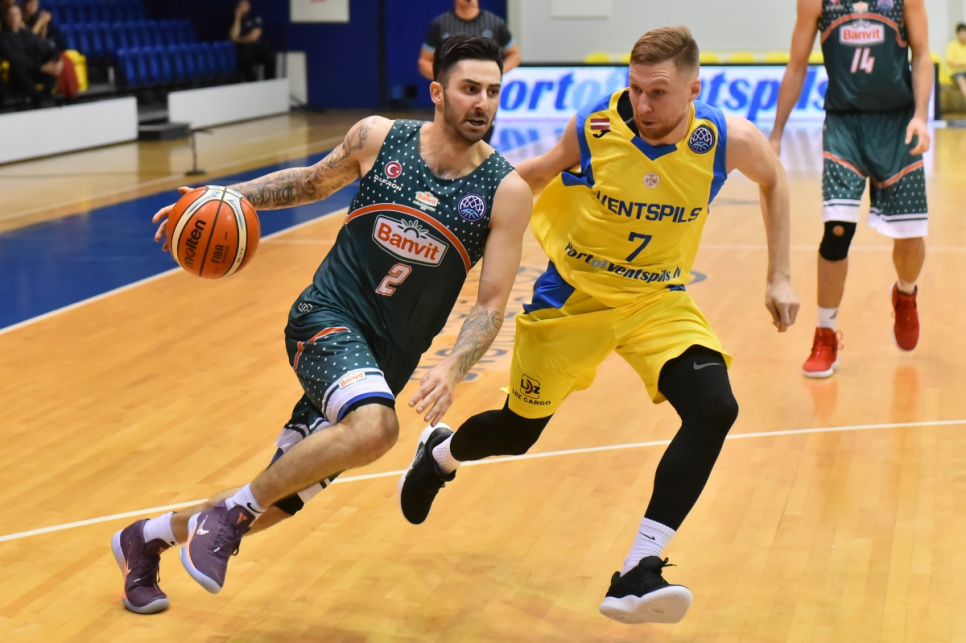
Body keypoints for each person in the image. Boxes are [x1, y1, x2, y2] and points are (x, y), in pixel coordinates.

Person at [110, 35, 532, 615]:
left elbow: (491, 303)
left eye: (492, 91)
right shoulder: (380, 138)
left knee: (277, 497)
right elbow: (309, 183)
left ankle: (147, 538)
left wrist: (455, 366)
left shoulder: (505, 191)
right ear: (438, 92)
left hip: (390, 358)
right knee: (377, 429)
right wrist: (224, 194)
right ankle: (227, 516)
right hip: (327, 318)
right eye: (469, 89)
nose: (482, 102)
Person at [398, 26, 800, 625]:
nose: (643, 104)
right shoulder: (596, 127)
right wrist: (456, 227)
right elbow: (533, 176)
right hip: (573, 299)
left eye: (658, 93)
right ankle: (441, 455)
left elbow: (775, 180)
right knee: (516, 431)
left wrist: (780, 276)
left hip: (655, 301)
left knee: (716, 407)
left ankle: (639, 568)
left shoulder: (725, 140)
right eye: (635, 89)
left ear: (694, 90)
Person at [769, 0, 931, 378]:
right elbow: (797, 65)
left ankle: (905, 292)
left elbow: (923, 54)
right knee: (837, 231)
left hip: (897, 123)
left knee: (909, 240)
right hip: (844, 123)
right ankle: (825, 335)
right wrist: (776, 134)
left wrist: (922, 116)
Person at [419, 0, 521, 144]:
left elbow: (515, 54)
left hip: (483, 116)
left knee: (480, 146)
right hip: (451, 104)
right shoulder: (440, 23)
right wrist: (448, 78)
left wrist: (495, 75)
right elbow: (424, 61)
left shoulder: (494, 22)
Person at [0, 2, 61, 105]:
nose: (14, 18)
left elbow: (45, 48)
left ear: (21, 16)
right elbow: (17, 59)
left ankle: (47, 95)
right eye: (11, 15)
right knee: (18, 67)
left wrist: (57, 60)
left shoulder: (27, 34)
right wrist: (41, 68)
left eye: (16, 15)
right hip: (18, 76)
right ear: (6, 18)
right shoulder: (3, 39)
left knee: (51, 64)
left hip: (34, 70)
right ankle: (37, 97)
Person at [229, 0, 276, 82]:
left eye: (245, 5)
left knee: (270, 57)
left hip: (257, 48)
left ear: (249, 7)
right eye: (241, 5)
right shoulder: (234, 20)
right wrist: (237, 17)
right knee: (244, 58)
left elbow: (254, 37)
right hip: (243, 50)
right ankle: (253, 83)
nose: (243, 7)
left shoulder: (254, 17)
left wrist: (239, 40)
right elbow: (233, 36)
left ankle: (269, 82)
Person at [947, 22, 966, 101]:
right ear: (957, 34)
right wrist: (963, 63)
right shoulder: (952, 45)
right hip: (956, 72)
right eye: (962, 33)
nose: (964, 35)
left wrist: (960, 63)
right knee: (961, 79)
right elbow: (951, 63)